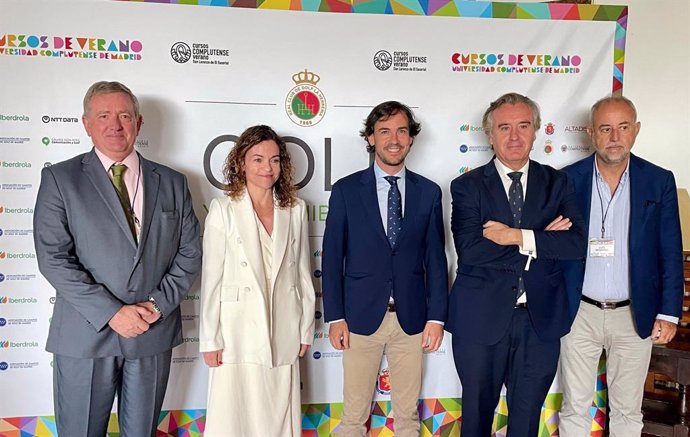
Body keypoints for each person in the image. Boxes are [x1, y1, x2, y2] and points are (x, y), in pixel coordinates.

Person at [33, 81, 202, 437]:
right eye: (104, 115)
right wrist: (112, 313)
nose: (115, 124)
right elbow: (53, 257)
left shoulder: (173, 182)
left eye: (125, 115)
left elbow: (190, 252)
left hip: (151, 332)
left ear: (139, 123)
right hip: (85, 335)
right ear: (86, 123)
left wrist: (155, 306)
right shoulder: (60, 179)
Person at [446, 92, 587, 436]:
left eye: (523, 126)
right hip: (479, 322)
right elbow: (471, 250)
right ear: (490, 135)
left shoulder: (558, 182)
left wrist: (515, 236)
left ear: (536, 131)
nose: (514, 136)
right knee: (476, 420)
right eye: (504, 127)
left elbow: (574, 244)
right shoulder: (466, 186)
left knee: (526, 422)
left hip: (538, 323)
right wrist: (540, 240)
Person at [559, 96, 684, 437]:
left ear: (636, 131)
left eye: (623, 127)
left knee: (628, 411)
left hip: (635, 313)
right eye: (605, 128)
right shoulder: (566, 179)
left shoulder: (658, 181)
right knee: (574, 407)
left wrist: (669, 313)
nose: (615, 136)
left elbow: (670, 250)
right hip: (578, 312)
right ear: (591, 134)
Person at [322, 101, 448, 437]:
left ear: (410, 139)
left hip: (412, 320)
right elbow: (332, 258)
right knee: (353, 416)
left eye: (401, 131)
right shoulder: (347, 191)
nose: (394, 139)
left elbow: (436, 259)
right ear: (371, 138)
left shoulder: (429, 192)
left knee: (407, 416)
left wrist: (436, 317)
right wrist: (335, 316)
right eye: (384, 131)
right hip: (360, 317)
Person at [199, 125, 316, 437]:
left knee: (277, 417)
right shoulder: (222, 210)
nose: (268, 168)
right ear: (241, 163)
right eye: (258, 160)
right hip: (236, 332)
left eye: (275, 160)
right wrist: (210, 339)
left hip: (284, 328)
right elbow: (211, 279)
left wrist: (305, 328)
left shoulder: (295, 209)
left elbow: (302, 274)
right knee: (233, 418)